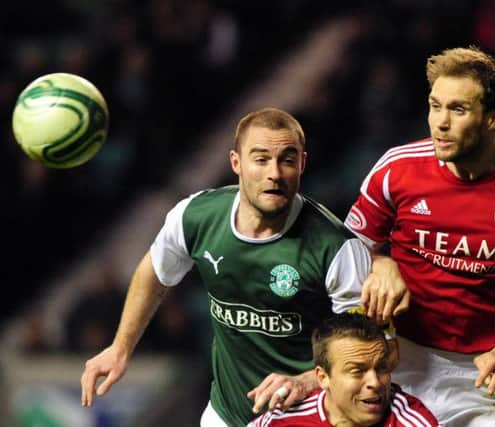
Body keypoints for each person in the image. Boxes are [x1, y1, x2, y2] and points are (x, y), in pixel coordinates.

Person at [80, 107, 406, 427]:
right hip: (225, 415)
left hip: (305, 416)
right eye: (261, 159)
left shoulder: (335, 247)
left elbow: (378, 351)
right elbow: (154, 272)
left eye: (287, 160)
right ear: (236, 163)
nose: (274, 173)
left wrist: (307, 381)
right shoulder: (195, 216)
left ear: (302, 164)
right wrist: (120, 348)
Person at [344, 46, 495, 426]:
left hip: (477, 372)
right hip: (389, 358)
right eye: (435, 106)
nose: (440, 123)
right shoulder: (396, 169)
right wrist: (380, 261)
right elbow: (345, 248)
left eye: (458, 109)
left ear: (493, 118)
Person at [249, 312, 439, 427]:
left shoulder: (411, 422)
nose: (374, 382)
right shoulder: (283, 420)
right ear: (323, 377)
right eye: (357, 371)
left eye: (381, 367)